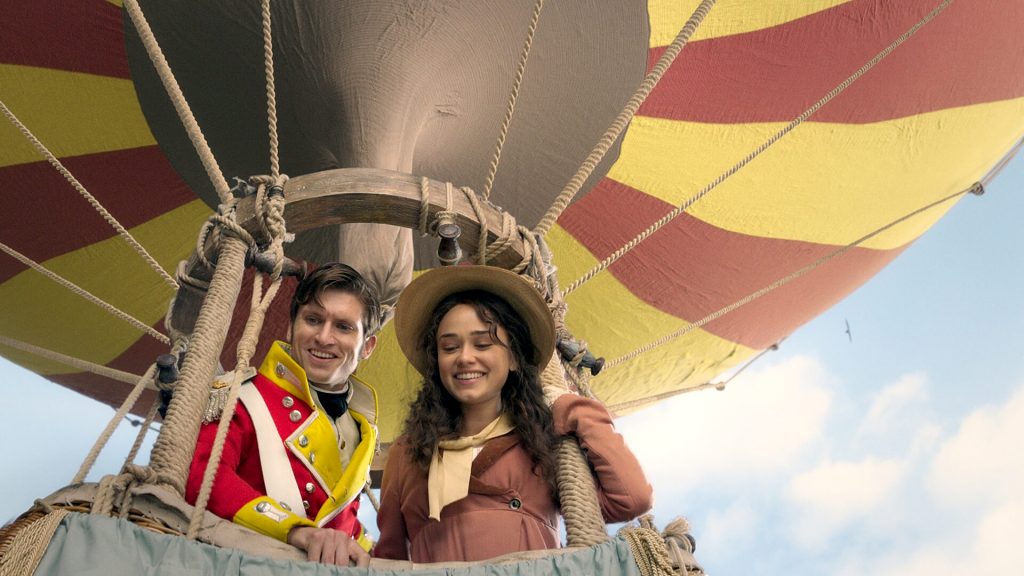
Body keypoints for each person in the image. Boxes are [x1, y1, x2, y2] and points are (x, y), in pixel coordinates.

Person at [374, 265, 653, 563]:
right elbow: (389, 559)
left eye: (482, 344)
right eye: (450, 347)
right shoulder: (409, 453)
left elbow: (631, 498)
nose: (465, 357)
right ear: (436, 362)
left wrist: (569, 406)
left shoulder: (543, 442)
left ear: (514, 359)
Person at [186, 263, 383, 567]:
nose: (324, 337)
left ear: (368, 346)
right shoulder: (241, 397)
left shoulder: (362, 430)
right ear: (291, 327)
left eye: (343, 327)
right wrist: (296, 532)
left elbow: (340, 522)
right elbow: (202, 478)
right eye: (313, 320)